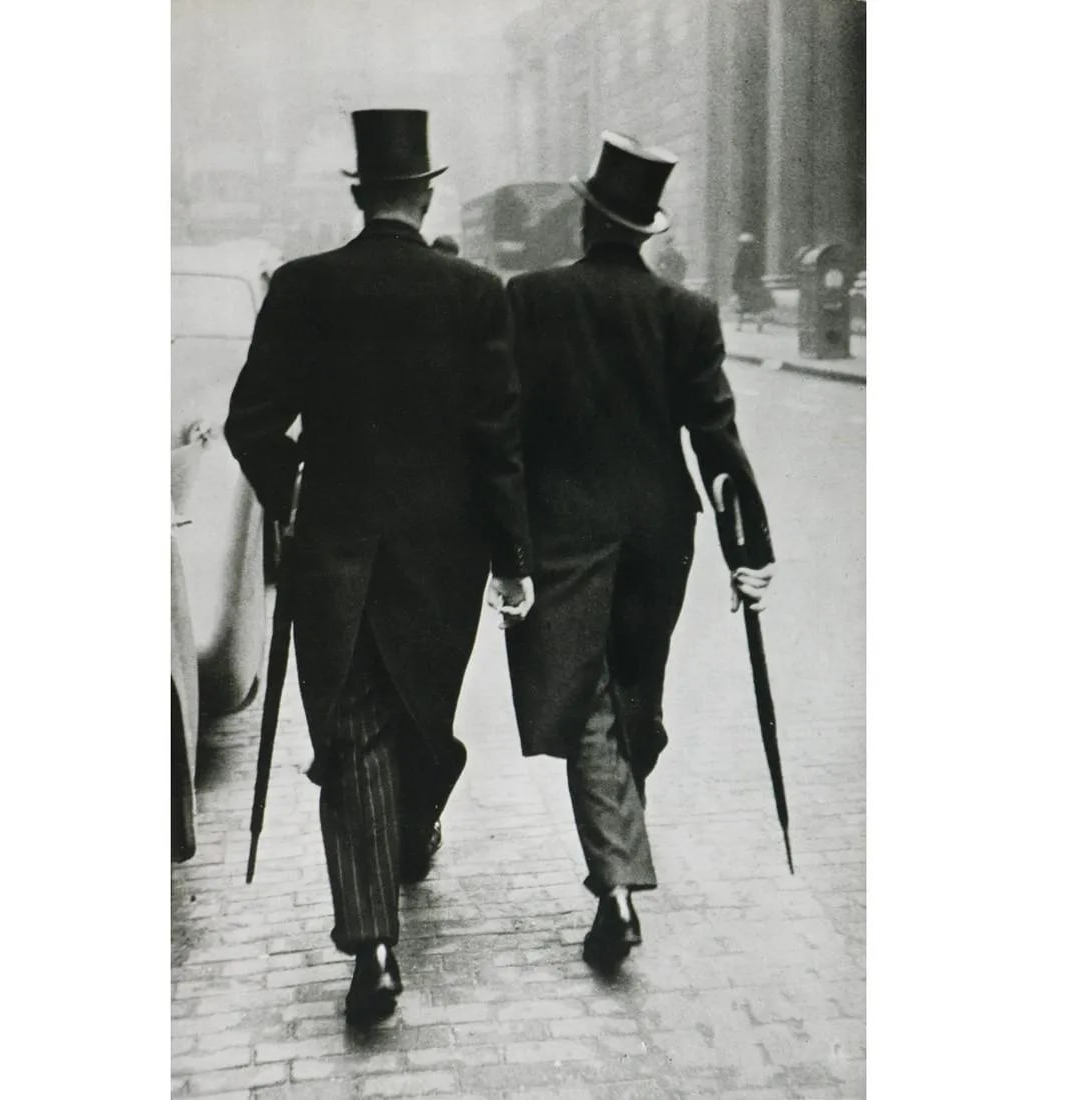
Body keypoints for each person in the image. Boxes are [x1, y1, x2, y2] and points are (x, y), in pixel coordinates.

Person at [225, 109, 534, 1025]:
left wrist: (296, 495)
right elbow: (498, 443)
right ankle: (391, 895)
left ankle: (377, 942)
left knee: (360, 734)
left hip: (338, 554)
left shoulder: (302, 287)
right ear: (427, 192)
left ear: (361, 195)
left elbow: (251, 424)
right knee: (411, 723)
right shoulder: (478, 294)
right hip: (443, 563)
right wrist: (513, 559)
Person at [503, 131, 775, 971]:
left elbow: (504, 435)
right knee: (634, 701)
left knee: (589, 704)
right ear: (647, 231)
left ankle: (617, 892)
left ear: (587, 220)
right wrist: (748, 547)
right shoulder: (685, 313)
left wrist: (501, 544)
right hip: (664, 535)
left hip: (566, 534)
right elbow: (716, 441)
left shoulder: (531, 300)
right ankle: (616, 861)